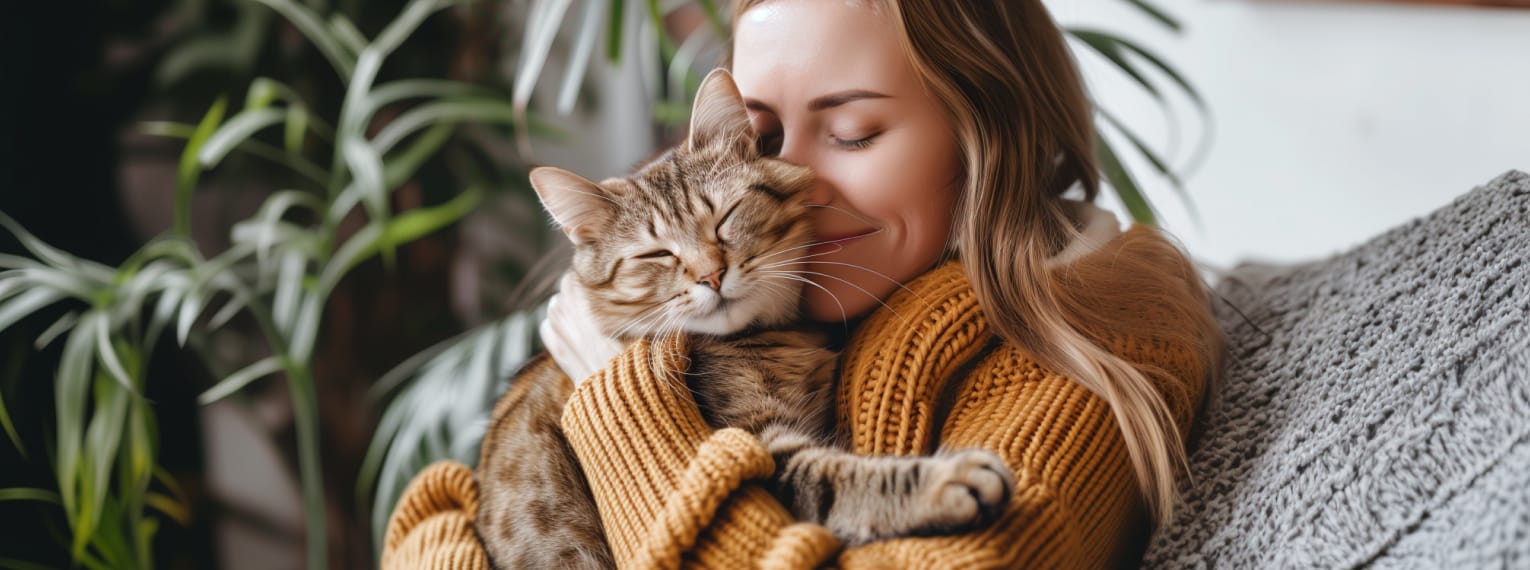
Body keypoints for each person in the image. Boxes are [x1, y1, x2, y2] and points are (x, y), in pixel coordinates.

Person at [382, 0, 1226, 567]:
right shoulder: (820, 295)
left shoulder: (1087, 335)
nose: (789, 182)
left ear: (986, 132)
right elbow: (445, 511)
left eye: (854, 131)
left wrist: (623, 408)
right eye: (766, 135)